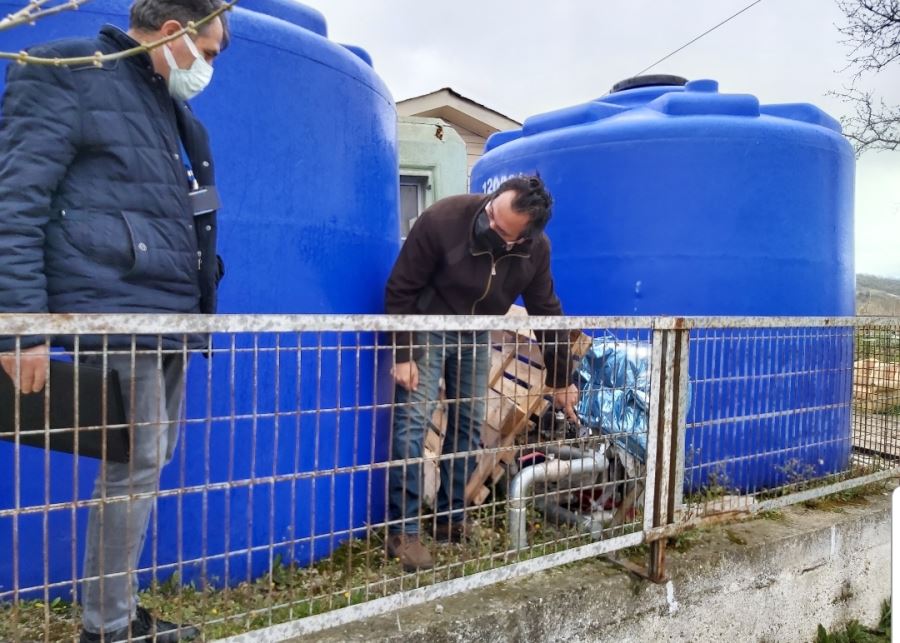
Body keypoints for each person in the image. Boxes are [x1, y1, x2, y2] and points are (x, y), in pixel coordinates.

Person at [0, 0, 228, 640]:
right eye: (208, 52)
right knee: (136, 465)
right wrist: (22, 326)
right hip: (113, 308)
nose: (209, 67)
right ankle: (107, 627)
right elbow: (15, 202)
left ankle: (117, 612)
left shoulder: (164, 102)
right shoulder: (69, 71)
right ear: (175, 31)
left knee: (146, 463)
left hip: (170, 313)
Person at [383, 176, 580, 571]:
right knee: (412, 425)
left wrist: (561, 380)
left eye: (501, 226)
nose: (489, 222)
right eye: (491, 210)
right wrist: (403, 351)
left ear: (521, 239)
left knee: (469, 426)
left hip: (477, 331)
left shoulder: (535, 251)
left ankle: (450, 518)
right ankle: (403, 534)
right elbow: (401, 287)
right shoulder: (444, 218)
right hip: (428, 326)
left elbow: (547, 312)